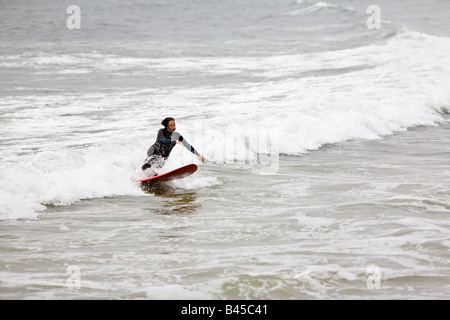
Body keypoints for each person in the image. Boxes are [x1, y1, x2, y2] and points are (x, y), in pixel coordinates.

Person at [141, 117, 207, 176]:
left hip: (164, 157)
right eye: (171, 125)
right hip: (154, 152)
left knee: (156, 172)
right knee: (147, 165)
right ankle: (139, 175)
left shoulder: (177, 135)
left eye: (174, 125)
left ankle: (150, 178)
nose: (173, 127)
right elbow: (164, 140)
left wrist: (199, 155)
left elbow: (187, 145)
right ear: (167, 126)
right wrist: (174, 141)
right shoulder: (161, 131)